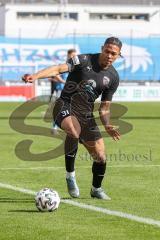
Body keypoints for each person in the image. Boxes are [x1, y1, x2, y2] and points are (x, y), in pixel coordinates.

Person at [22, 37, 121, 200]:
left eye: (114, 54)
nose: (109, 56)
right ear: (102, 48)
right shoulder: (83, 60)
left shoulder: (113, 77)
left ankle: (96, 189)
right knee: (73, 130)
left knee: (101, 157)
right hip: (65, 104)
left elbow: (104, 108)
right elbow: (58, 68)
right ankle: (70, 175)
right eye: (107, 51)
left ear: (118, 55)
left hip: (86, 114)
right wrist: (35, 76)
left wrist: (108, 125)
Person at [49, 49, 77, 134]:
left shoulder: (76, 66)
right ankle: (54, 128)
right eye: (72, 55)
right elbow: (55, 74)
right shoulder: (64, 65)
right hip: (61, 90)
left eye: (75, 55)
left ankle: (70, 127)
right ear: (68, 55)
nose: (74, 57)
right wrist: (63, 82)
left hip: (72, 92)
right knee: (59, 109)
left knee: (72, 110)